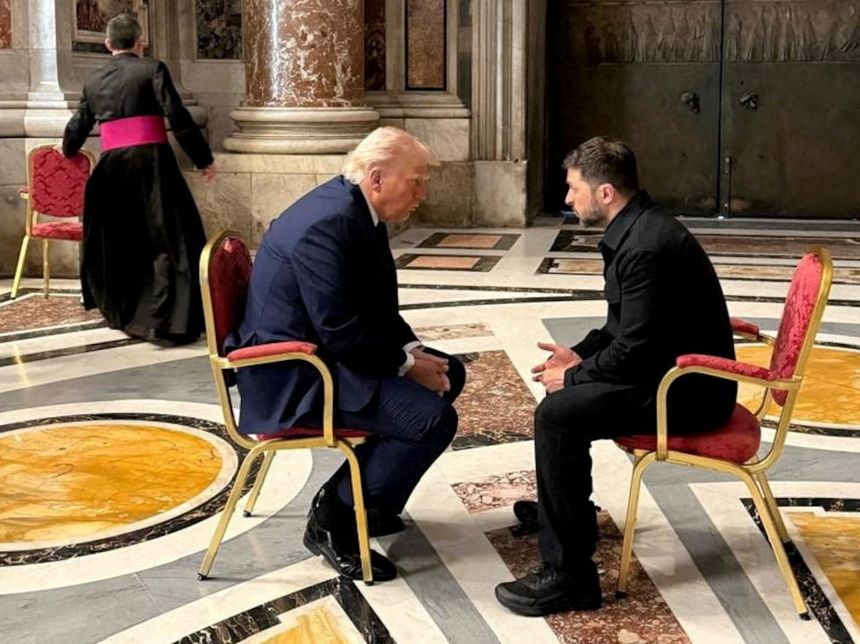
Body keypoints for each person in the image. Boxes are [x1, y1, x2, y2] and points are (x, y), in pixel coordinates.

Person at [495, 137, 737, 616]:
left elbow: (636, 349)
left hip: (687, 392)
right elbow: (620, 328)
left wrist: (577, 375)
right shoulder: (638, 231)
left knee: (558, 415)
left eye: (573, 188)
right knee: (563, 408)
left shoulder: (645, 247)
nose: (568, 199)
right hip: (668, 373)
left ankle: (571, 578)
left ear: (605, 193)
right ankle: (569, 519)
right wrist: (577, 355)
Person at [229, 127, 465, 582]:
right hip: (293, 374)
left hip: (324, 353)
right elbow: (340, 330)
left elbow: (373, 307)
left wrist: (413, 351)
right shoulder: (330, 223)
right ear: (376, 177)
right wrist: (407, 366)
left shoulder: (356, 208)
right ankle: (333, 517)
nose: (422, 192)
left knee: (451, 374)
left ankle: (370, 500)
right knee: (431, 420)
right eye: (415, 180)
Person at [61, 14, 215, 345]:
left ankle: (126, 312)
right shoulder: (152, 68)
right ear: (140, 41)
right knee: (170, 239)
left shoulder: (93, 79)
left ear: (107, 44)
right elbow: (177, 116)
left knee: (122, 241)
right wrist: (203, 159)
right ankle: (167, 320)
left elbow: (78, 124)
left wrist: (68, 150)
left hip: (112, 167)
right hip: (153, 164)